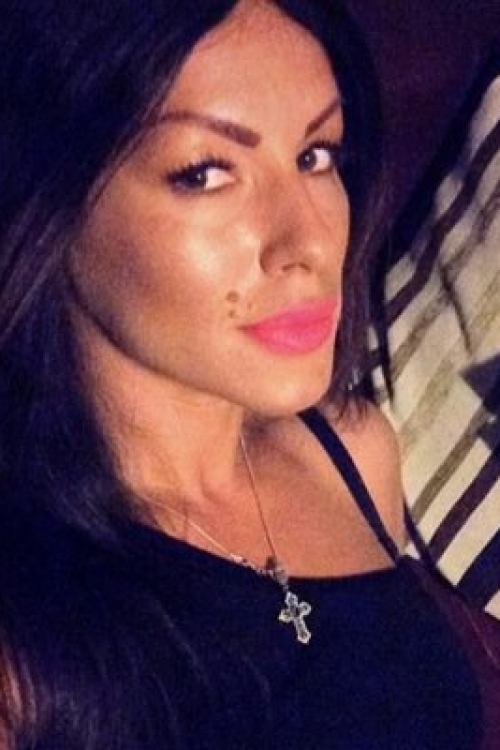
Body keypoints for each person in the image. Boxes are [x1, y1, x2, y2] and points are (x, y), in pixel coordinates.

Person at [0, 1, 490, 748]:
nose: (308, 244)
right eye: (205, 173)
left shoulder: (352, 452)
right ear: (49, 206)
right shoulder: (25, 634)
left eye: (317, 155)